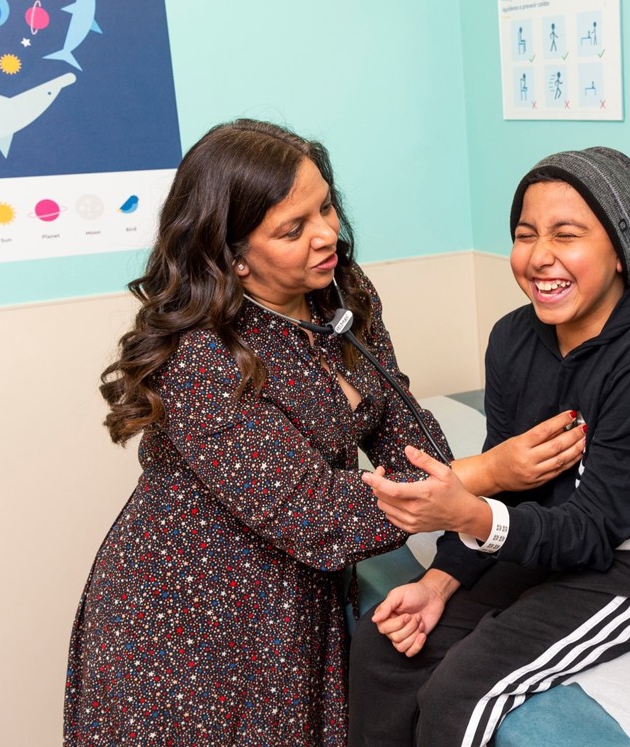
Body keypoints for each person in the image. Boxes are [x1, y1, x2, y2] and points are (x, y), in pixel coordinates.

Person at [64, 119, 583, 746]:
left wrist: (456, 495)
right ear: (232, 254)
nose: (327, 234)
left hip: (298, 602)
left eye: (326, 206)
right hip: (187, 618)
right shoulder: (197, 358)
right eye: (293, 228)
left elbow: (397, 419)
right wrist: (486, 474)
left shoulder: (340, 293)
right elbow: (318, 515)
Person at [348, 147, 630, 747]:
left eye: (567, 234)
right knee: (387, 644)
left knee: (462, 689)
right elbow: (510, 482)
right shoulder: (513, 338)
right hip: (554, 532)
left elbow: (592, 532)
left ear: (619, 251)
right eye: (525, 234)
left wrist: (472, 513)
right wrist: (439, 583)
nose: (539, 257)